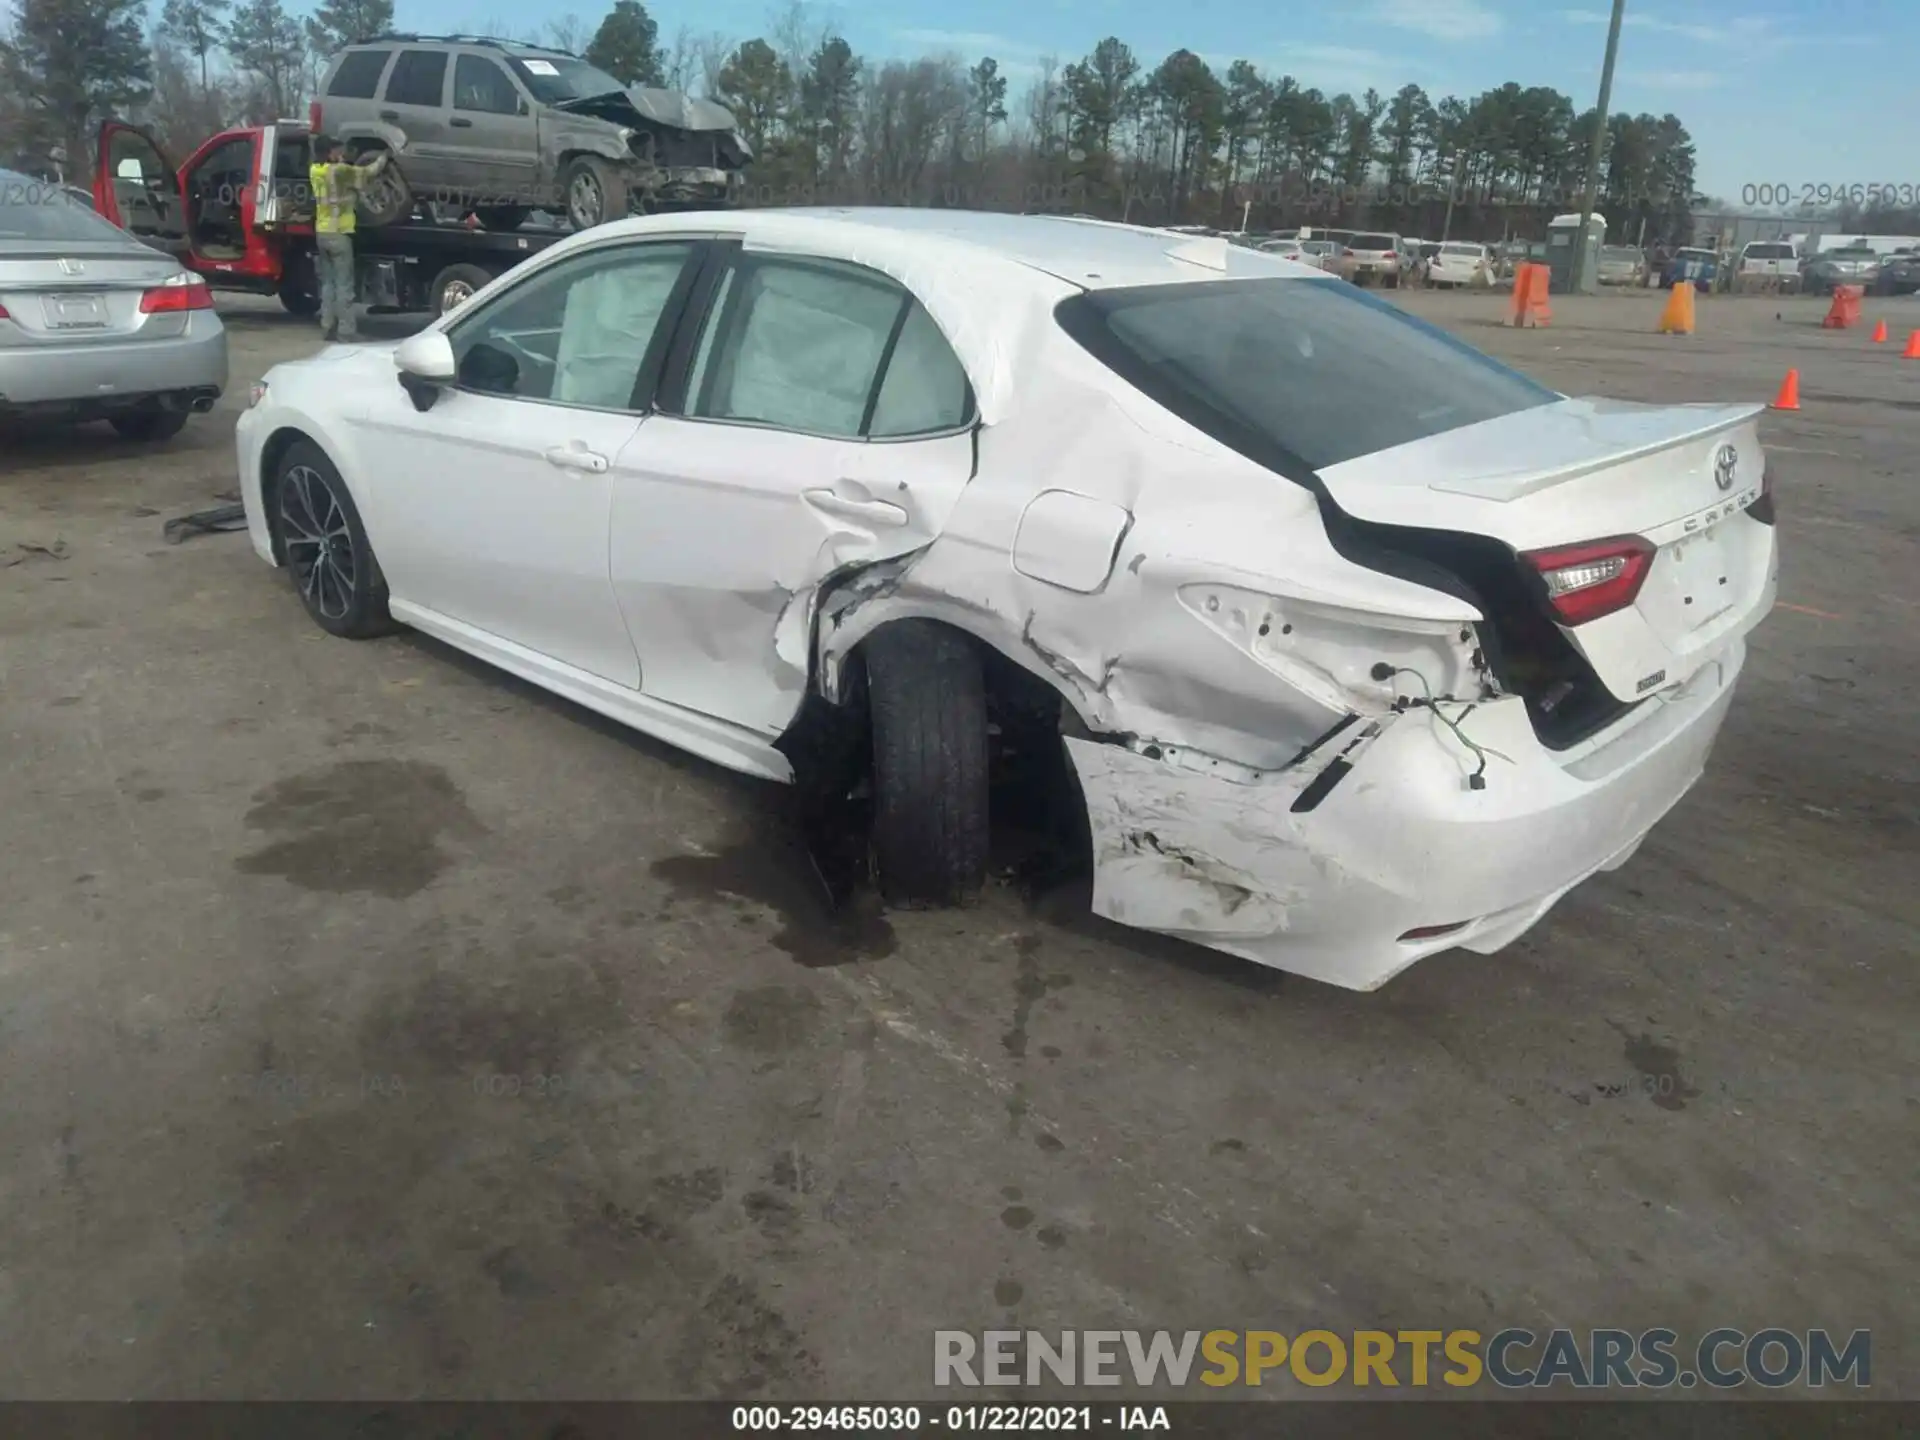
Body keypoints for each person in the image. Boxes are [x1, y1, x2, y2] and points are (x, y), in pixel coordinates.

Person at [308, 136, 393, 342]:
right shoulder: (339, 171)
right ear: (329, 152)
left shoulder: (314, 171)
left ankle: (327, 326)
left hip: (322, 232)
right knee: (344, 285)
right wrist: (384, 156)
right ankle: (346, 332)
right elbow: (367, 173)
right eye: (337, 150)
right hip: (339, 233)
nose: (341, 154)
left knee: (328, 284)